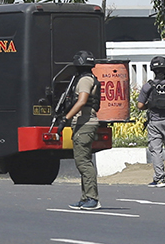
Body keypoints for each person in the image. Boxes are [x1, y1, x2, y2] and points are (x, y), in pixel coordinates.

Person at [59, 50, 101, 210]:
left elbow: (82, 100)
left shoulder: (84, 80)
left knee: (83, 162)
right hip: (83, 123)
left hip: (85, 123)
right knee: (82, 160)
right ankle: (85, 197)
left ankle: (92, 198)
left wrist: (66, 118)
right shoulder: (88, 78)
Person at [136, 56, 165, 187]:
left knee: (156, 150)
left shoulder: (148, 86)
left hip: (154, 122)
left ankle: (159, 179)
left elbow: (139, 105)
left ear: (152, 70)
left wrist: (150, 105)